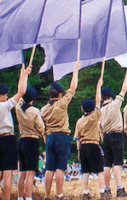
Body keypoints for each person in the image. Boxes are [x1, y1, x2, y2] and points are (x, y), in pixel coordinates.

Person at [42, 61, 80, 200]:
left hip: (50, 137)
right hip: (62, 136)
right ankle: (59, 194)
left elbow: (43, 128)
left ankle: (46, 195)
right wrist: (75, 71)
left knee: (49, 168)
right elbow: (73, 87)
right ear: (59, 95)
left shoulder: (44, 110)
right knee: (60, 167)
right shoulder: (62, 104)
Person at [98, 67, 127, 199]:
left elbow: (100, 128)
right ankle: (119, 188)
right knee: (117, 163)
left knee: (107, 164)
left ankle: (107, 189)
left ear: (102, 98)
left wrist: (103, 139)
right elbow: (123, 90)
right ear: (111, 96)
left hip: (105, 136)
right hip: (117, 135)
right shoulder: (115, 104)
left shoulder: (99, 111)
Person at [74, 72, 105, 199]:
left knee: (85, 172)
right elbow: (98, 101)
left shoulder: (79, 121)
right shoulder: (94, 116)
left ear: (82, 109)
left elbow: (77, 138)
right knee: (99, 171)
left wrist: (78, 150)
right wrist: (99, 86)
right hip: (93, 145)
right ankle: (103, 192)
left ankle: (85, 193)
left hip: (83, 147)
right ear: (92, 109)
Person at [15, 85, 45, 200]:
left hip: (22, 139)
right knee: (30, 172)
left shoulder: (18, 109)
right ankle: (28, 197)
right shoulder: (35, 111)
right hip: (32, 140)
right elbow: (41, 128)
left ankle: (19, 197)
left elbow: (18, 101)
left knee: (22, 171)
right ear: (33, 98)